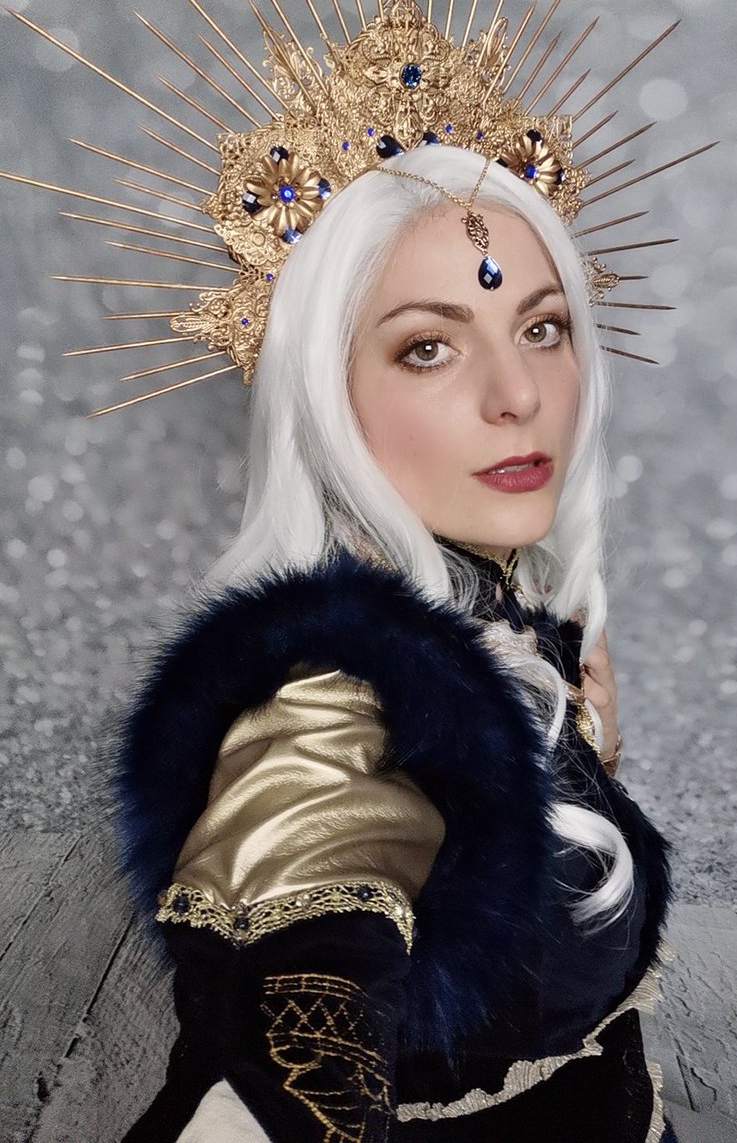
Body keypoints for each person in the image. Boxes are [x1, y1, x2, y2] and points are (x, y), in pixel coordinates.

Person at [112, 142, 679, 1142]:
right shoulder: (334, 696)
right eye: (428, 347)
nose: (518, 392)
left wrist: (573, 741)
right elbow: (276, 1057)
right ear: (328, 396)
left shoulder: (505, 622)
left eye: (542, 327)